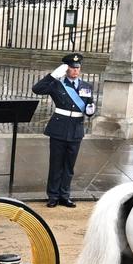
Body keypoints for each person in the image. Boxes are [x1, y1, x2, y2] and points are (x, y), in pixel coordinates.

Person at [32, 53, 94, 208]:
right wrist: (52, 76)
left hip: (76, 129)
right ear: (66, 68)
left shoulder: (86, 86)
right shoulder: (57, 84)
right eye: (72, 68)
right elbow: (37, 89)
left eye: (78, 68)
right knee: (56, 164)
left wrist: (91, 111)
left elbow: (88, 105)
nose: (75, 71)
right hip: (59, 128)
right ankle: (53, 196)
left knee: (69, 166)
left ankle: (64, 195)